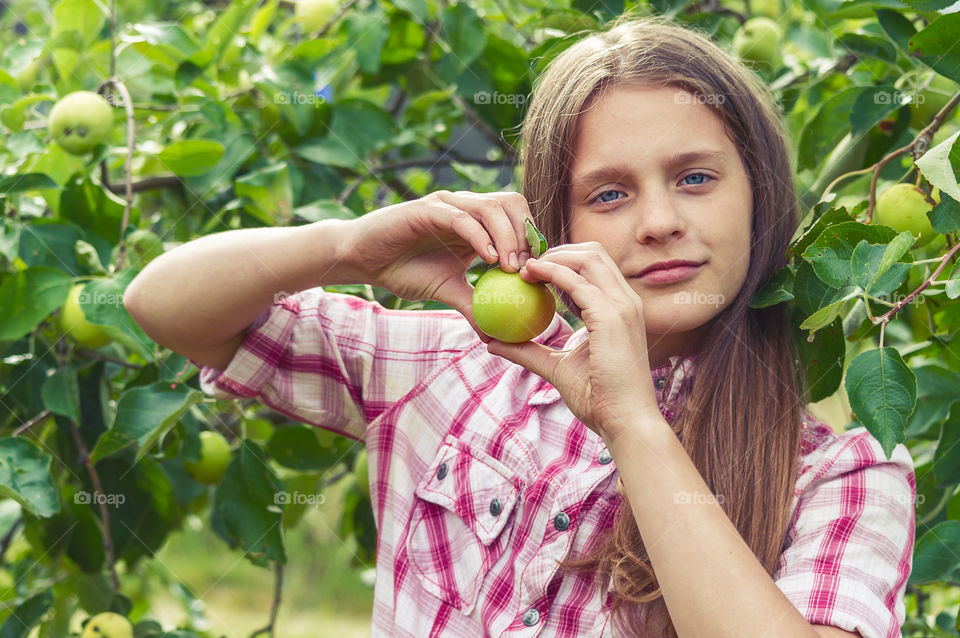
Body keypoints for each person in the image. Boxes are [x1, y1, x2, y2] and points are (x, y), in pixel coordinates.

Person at [124, 13, 916, 638]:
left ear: (761, 194)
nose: (660, 222)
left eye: (696, 177)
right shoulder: (454, 365)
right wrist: (346, 247)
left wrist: (633, 422)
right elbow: (161, 304)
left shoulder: (839, 476)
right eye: (608, 195)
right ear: (555, 223)